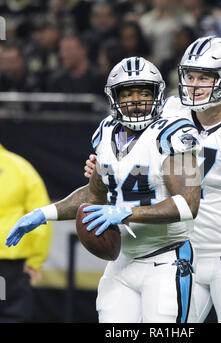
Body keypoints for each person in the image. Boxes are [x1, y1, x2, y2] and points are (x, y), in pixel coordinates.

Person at [84, 36, 221, 323]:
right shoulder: (168, 111)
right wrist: (104, 167)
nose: (194, 84)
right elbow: (132, 153)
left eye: (204, 77)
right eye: (190, 75)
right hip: (180, 256)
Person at [6, 57, 202, 323]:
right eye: (128, 93)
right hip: (122, 261)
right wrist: (43, 214)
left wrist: (126, 213)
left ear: (157, 94)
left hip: (166, 259)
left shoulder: (175, 135)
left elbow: (187, 205)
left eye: (144, 92)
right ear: (114, 97)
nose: (136, 100)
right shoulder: (106, 133)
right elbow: (93, 195)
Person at [0, 144, 52, 323]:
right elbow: (39, 218)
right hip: (9, 267)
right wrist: (35, 262)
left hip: (9, 265)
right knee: (11, 315)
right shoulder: (20, 168)